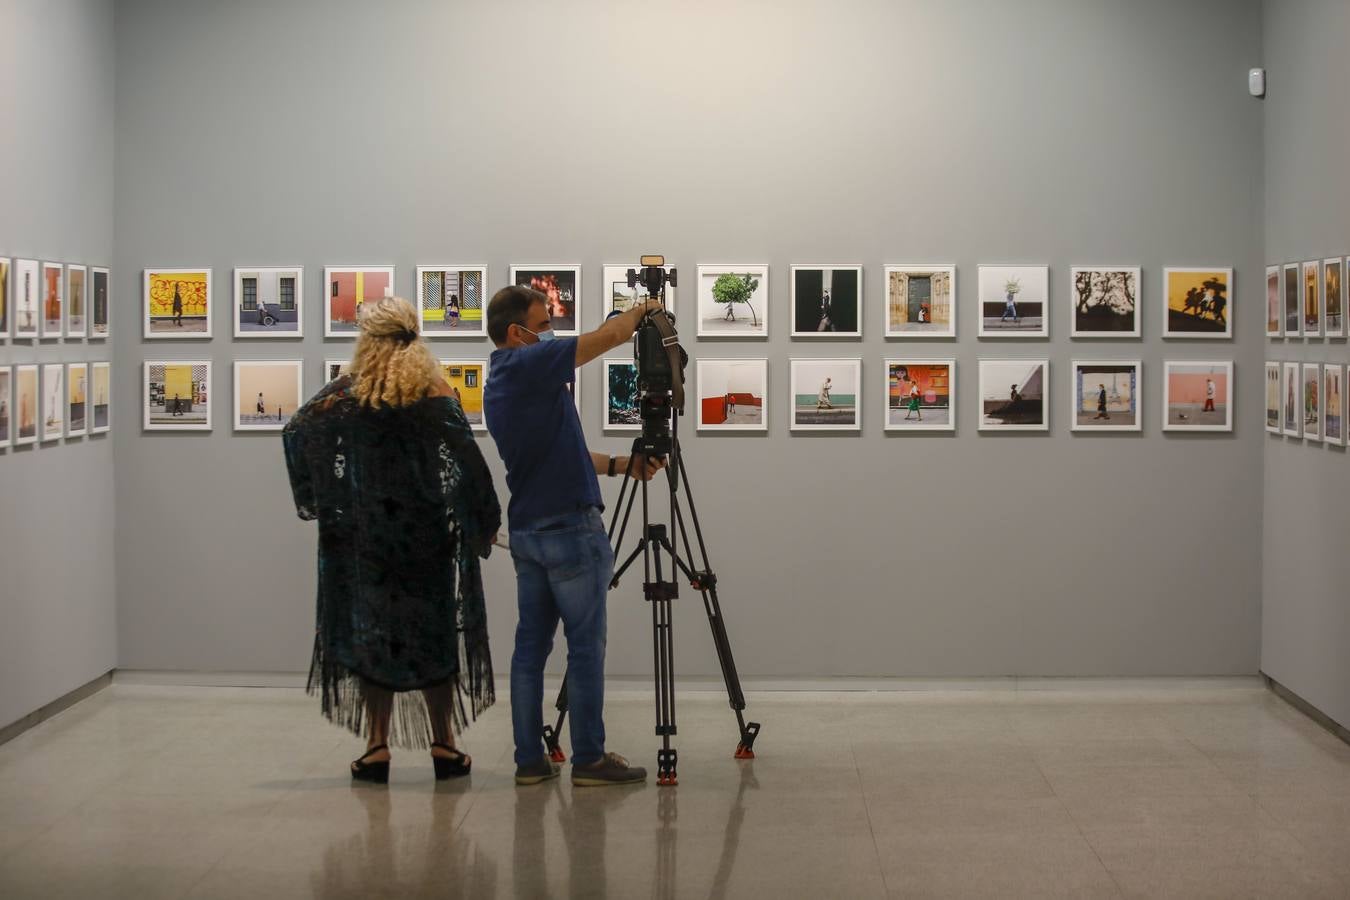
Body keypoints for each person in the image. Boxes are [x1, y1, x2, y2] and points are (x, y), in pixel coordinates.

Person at [282, 297, 501, 784]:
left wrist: (322, 501)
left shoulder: (346, 394)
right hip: (427, 538)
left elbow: (296, 431)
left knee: (373, 638)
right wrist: (482, 521)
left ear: (367, 342)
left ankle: (376, 748)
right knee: (435, 637)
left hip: (368, 541)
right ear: (415, 338)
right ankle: (444, 744)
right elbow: (468, 461)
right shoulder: (435, 392)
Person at [483, 285, 666, 788]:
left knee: (530, 649)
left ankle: (528, 762)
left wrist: (621, 466)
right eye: (545, 326)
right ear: (517, 333)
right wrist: (645, 309)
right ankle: (588, 758)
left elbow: (563, 453)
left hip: (529, 530)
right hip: (569, 528)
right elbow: (607, 336)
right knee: (585, 646)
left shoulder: (501, 381)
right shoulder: (528, 364)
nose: (552, 335)